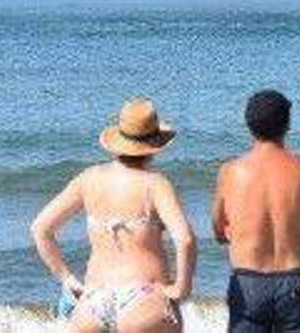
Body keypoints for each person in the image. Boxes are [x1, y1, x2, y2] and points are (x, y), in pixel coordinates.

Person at [31, 98, 197, 332]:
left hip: (94, 300)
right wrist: (182, 288)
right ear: (154, 145)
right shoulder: (156, 184)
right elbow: (186, 239)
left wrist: (67, 278)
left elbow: (41, 229)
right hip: (144, 299)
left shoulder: (88, 178)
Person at [212, 90, 300, 333]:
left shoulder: (230, 172)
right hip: (296, 282)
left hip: (248, 284)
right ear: (287, 125)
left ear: (248, 125)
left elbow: (219, 231)